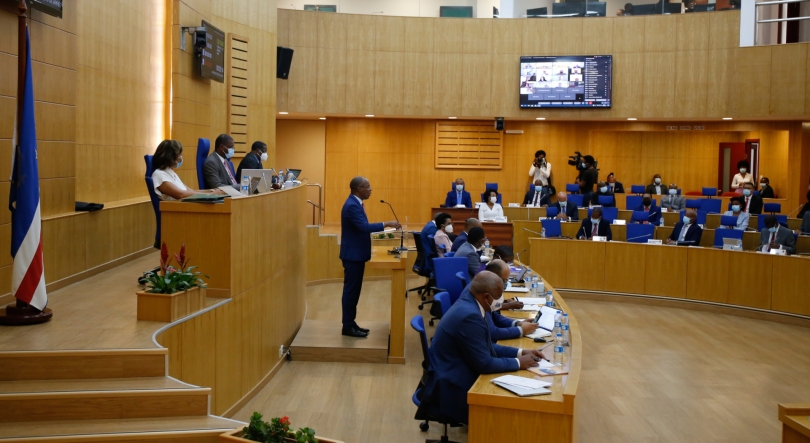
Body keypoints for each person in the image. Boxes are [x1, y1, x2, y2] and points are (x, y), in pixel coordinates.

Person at [415, 271, 546, 425]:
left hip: (455, 365)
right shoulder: (470, 316)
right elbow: (485, 363)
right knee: (510, 403)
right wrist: (518, 363)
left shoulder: (471, 302)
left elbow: (486, 347)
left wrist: (521, 352)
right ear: (486, 297)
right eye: (499, 296)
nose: (501, 300)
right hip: (452, 384)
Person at [339, 177, 400, 338]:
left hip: (356, 255)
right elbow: (364, 227)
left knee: (354, 292)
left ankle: (351, 323)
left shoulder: (355, 203)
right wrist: (386, 224)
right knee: (351, 292)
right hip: (353, 256)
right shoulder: (352, 206)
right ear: (359, 188)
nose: (371, 189)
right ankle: (347, 326)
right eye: (368, 186)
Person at [150, 140, 224, 201]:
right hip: (176, 209)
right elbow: (180, 194)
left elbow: (190, 191)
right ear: (170, 157)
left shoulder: (170, 172)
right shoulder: (159, 175)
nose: (180, 158)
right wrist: (210, 195)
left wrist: (211, 190)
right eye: (179, 155)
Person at [485, 260, 538, 341]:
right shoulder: (482, 293)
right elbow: (493, 333)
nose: (505, 284)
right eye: (505, 281)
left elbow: (494, 316)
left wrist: (518, 323)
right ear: (494, 277)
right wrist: (521, 330)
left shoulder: (486, 287)